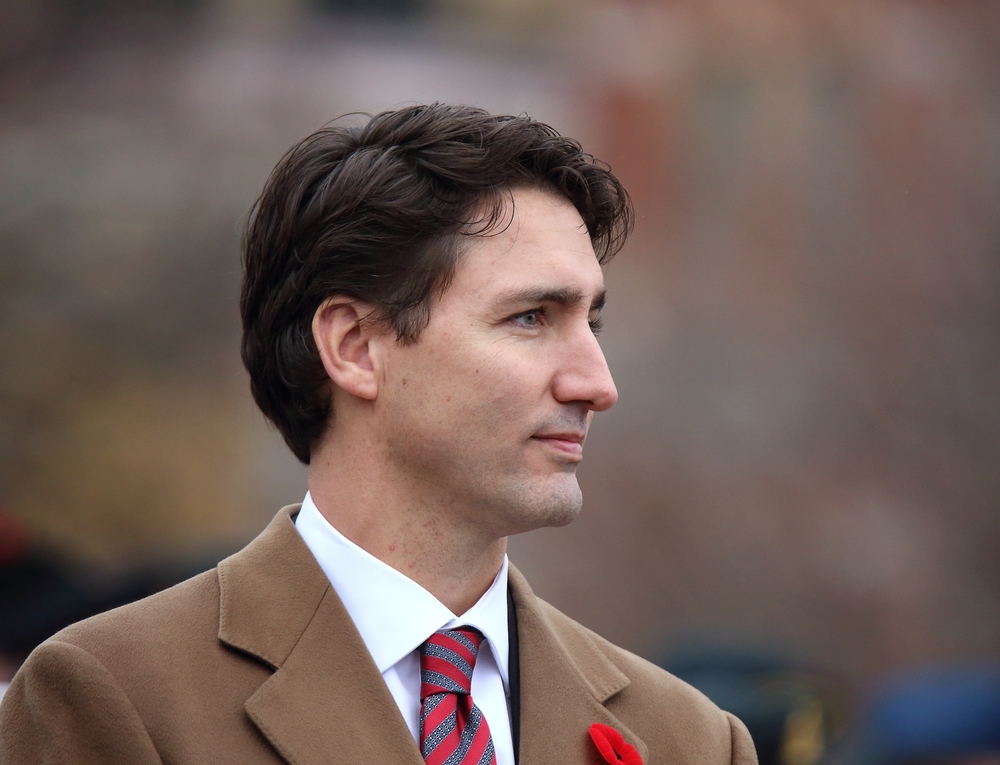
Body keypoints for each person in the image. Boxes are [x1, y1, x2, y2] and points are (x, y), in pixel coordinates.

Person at [0, 104, 757, 765]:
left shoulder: (688, 738)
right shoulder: (117, 694)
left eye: (591, 322)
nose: (597, 383)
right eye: (531, 318)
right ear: (355, 346)